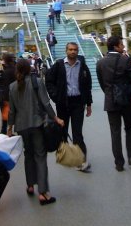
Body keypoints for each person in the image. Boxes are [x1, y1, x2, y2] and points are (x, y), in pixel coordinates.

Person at [8, 58, 64, 205]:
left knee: (28, 154)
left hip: (21, 127)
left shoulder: (12, 87)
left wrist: (9, 127)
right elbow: (46, 103)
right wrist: (55, 118)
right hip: (37, 124)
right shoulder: (36, 82)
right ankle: (43, 193)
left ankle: (30, 185)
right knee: (40, 155)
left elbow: (12, 111)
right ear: (29, 68)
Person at [46, 42, 93, 172]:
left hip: (78, 103)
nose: (73, 52)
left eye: (75, 50)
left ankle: (81, 160)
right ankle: (65, 155)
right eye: (71, 50)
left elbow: (87, 85)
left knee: (77, 133)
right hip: (63, 103)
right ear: (66, 51)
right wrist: (56, 96)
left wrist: (89, 104)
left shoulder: (82, 66)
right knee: (63, 131)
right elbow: (48, 80)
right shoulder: (59, 65)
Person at [96, 35, 131, 172]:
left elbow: (102, 83)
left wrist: (109, 93)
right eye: (121, 44)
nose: (124, 47)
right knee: (129, 128)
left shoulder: (100, 62)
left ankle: (119, 162)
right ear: (116, 46)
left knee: (115, 132)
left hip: (110, 101)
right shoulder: (125, 60)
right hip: (126, 100)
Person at [0, 53, 16, 134]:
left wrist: (5, 98)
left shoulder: (6, 71)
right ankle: (10, 130)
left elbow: (6, 86)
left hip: (7, 97)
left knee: (6, 116)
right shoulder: (15, 69)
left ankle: (4, 131)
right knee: (13, 114)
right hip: (16, 96)